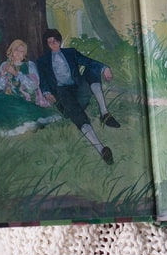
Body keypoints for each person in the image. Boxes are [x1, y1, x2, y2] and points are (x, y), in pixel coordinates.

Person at [36, 28, 119, 164]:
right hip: (62, 94)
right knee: (78, 115)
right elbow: (43, 80)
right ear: (47, 44)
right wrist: (46, 92)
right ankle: (101, 149)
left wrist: (104, 68)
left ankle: (104, 113)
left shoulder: (70, 52)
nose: (53, 44)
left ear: (60, 41)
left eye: (55, 41)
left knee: (92, 69)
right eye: (50, 42)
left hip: (79, 89)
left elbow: (87, 61)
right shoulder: (42, 61)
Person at [0, 39, 61, 137]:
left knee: (13, 105)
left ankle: (24, 122)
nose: (18, 53)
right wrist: (2, 75)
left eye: (21, 51)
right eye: (16, 50)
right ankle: (10, 125)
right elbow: (0, 86)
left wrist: (16, 73)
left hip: (24, 96)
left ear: (24, 54)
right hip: (9, 94)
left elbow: (34, 84)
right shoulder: (5, 64)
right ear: (11, 51)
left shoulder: (29, 65)